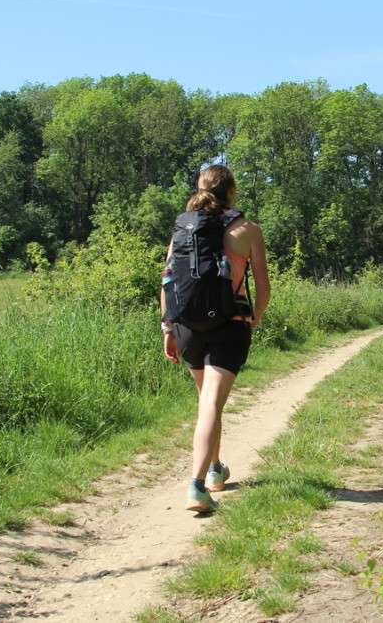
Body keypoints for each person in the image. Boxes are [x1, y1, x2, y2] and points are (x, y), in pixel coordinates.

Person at [160, 164, 270, 513]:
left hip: (187, 326)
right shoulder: (247, 230)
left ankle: (215, 469)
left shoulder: (183, 227)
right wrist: (252, 321)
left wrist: (168, 329)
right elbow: (263, 289)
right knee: (212, 402)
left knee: (208, 401)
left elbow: (167, 280)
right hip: (228, 324)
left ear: (201, 189)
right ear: (232, 192)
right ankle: (197, 487)